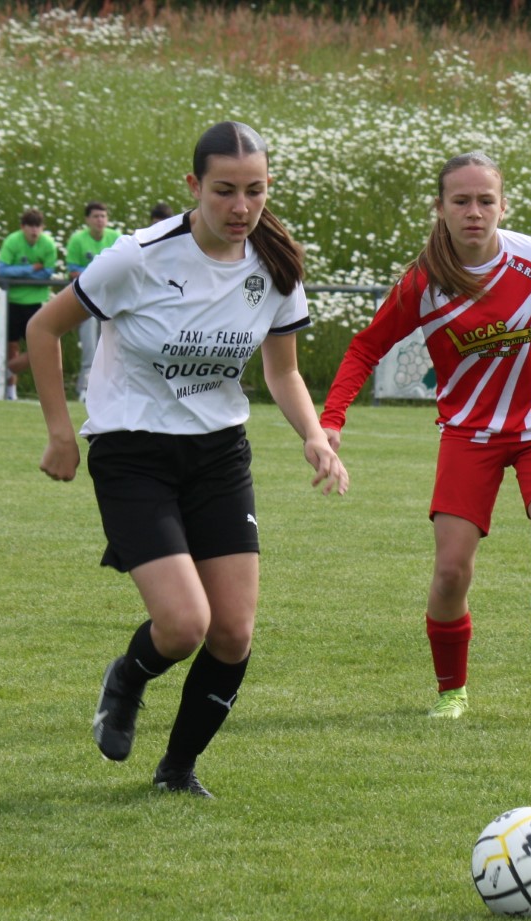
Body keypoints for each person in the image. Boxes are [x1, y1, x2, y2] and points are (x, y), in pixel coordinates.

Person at [26, 121, 349, 797]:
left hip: (219, 456)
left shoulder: (275, 266)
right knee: (182, 626)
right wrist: (60, 433)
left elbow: (283, 371)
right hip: (132, 451)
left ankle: (177, 771)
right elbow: (44, 327)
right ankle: (127, 677)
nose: (241, 207)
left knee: (232, 632)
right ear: (193, 185)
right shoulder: (137, 256)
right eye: (224, 190)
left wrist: (314, 436)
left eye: (255, 191)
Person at [320, 150, 531, 730]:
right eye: (461, 201)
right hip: (469, 434)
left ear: (503, 206)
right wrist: (332, 419)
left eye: (485, 200)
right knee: (451, 572)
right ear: (440, 208)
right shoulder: (424, 282)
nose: (474, 211)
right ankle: (451, 692)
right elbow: (366, 346)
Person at [0, 209, 61, 399]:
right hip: (12, 301)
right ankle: (11, 392)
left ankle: (6, 372)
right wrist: (31, 268)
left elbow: (47, 273)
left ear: (42, 227)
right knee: (12, 348)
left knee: (41, 347)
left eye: (37, 226)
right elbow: (1, 270)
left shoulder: (48, 244)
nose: (34, 230)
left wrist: (18, 273)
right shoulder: (12, 241)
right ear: (22, 227)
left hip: (36, 302)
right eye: (30, 226)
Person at [64, 201, 122, 401]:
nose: (100, 220)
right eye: (96, 216)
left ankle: (108, 390)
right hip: (86, 303)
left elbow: (122, 268)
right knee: (89, 347)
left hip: (110, 302)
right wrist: (102, 273)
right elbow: (72, 271)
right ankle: (84, 389)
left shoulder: (116, 237)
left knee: (111, 348)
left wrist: (93, 273)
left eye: (103, 216)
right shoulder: (78, 240)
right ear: (87, 220)